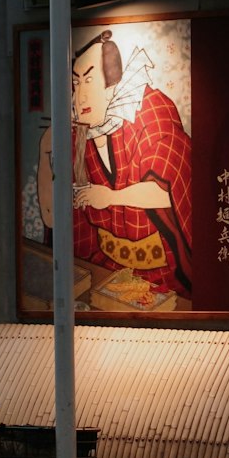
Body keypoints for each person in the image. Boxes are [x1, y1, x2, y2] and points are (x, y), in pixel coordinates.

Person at [37, 29, 195, 298]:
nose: (80, 96)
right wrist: (44, 153)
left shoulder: (150, 108)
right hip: (103, 266)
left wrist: (111, 196)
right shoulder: (76, 135)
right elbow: (53, 218)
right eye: (76, 84)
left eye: (89, 80)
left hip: (160, 270)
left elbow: (168, 190)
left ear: (114, 83)